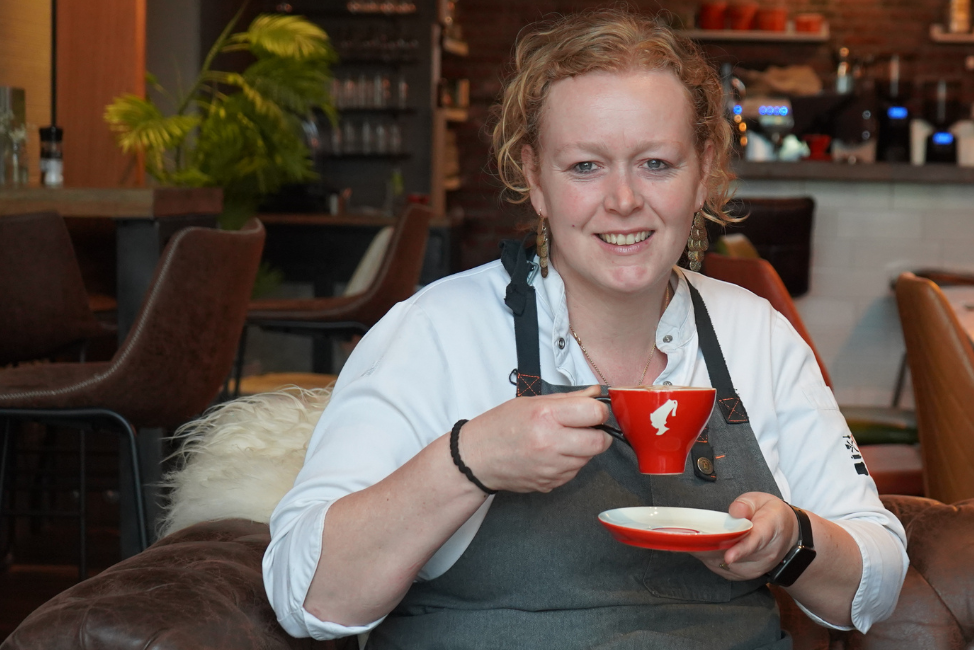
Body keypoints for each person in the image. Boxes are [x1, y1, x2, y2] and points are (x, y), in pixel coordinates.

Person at [263, 9, 907, 649]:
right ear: (534, 178)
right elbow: (308, 596)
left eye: (656, 163)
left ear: (704, 169)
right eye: (584, 167)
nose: (624, 199)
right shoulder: (433, 332)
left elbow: (876, 578)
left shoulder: (755, 337)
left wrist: (792, 543)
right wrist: (470, 460)